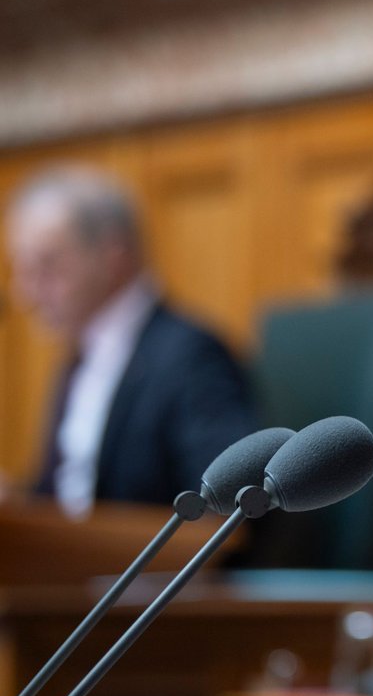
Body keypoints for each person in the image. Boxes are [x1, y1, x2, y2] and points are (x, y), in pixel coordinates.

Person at [4, 165, 258, 516]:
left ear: (113, 255)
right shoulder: (79, 356)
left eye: (46, 266)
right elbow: (66, 496)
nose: (26, 294)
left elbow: (223, 506)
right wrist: (17, 503)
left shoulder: (191, 356)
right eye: (22, 270)